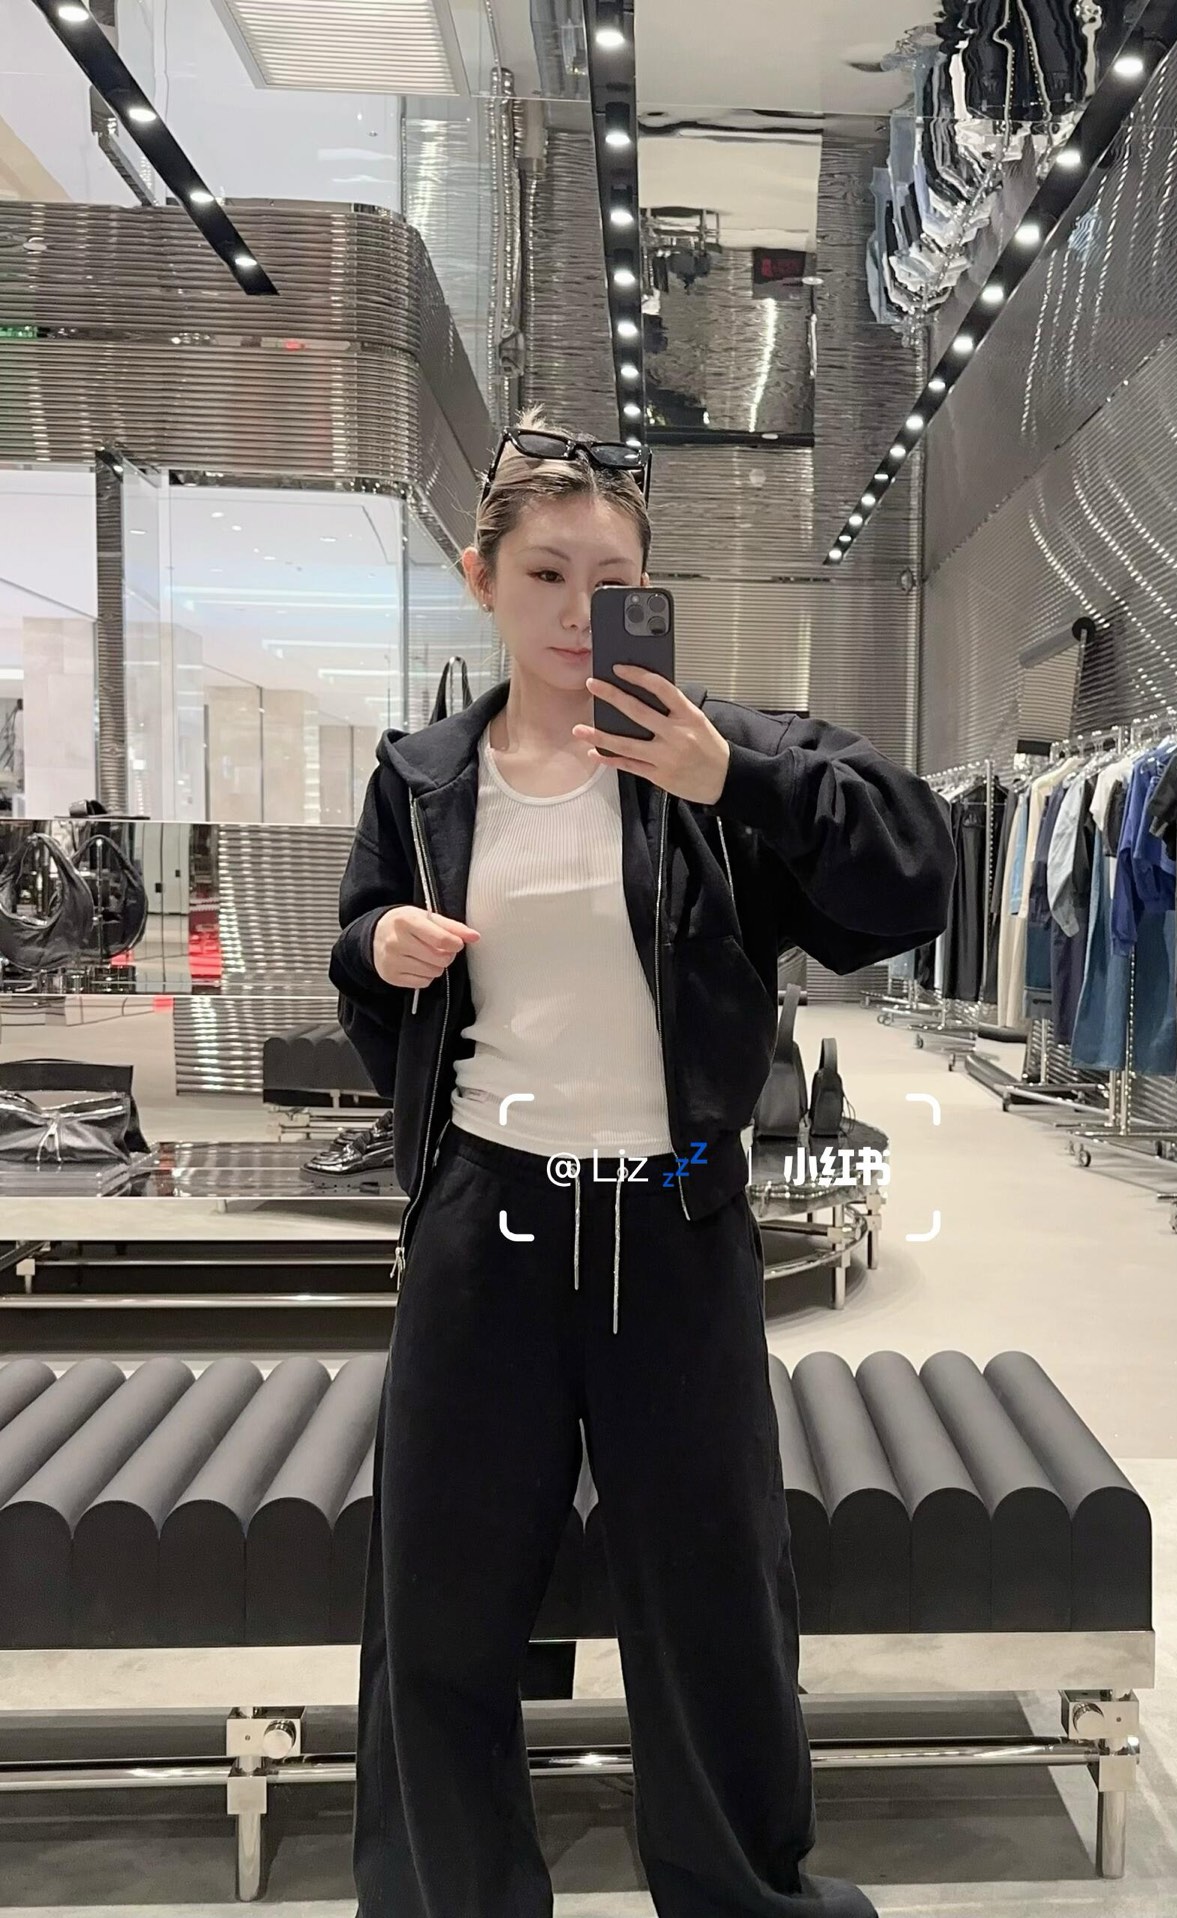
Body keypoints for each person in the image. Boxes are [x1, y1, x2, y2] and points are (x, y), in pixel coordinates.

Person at [329, 407, 957, 1918]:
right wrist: (378, 945)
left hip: (673, 1230)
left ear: (648, 593)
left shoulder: (716, 753)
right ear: (483, 580)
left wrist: (734, 776)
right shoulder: (424, 780)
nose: (574, 611)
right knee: (440, 1604)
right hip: (487, 1223)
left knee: (716, 1599)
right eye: (544, 575)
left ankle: (741, 1897)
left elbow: (915, 879)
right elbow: (360, 959)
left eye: (609, 582)